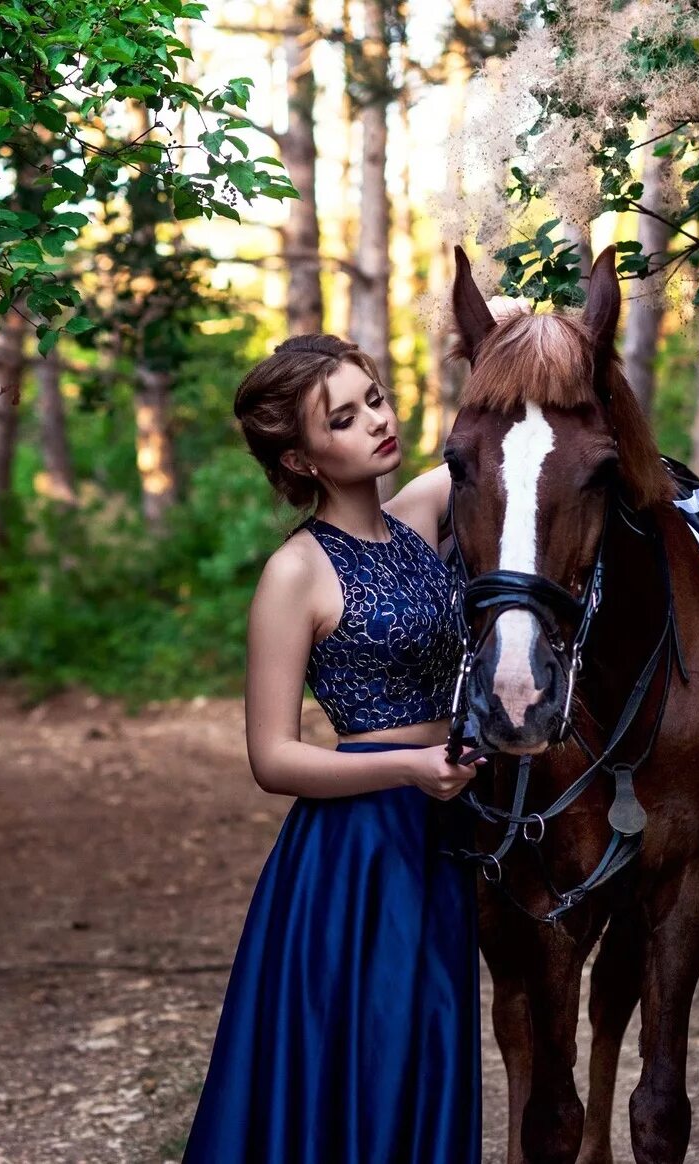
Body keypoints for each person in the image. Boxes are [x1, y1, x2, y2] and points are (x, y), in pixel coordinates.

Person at [181, 335, 486, 1162]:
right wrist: (409, 768)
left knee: (432, 1039)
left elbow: (501, 443)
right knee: (370, 1052)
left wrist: (496, 347)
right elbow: (272, 758)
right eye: (343, 420)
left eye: (375, 399)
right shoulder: (297, 572)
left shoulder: (421, 518)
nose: (377, 424)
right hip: (356, 852)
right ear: (302, 458)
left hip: (442, 833)